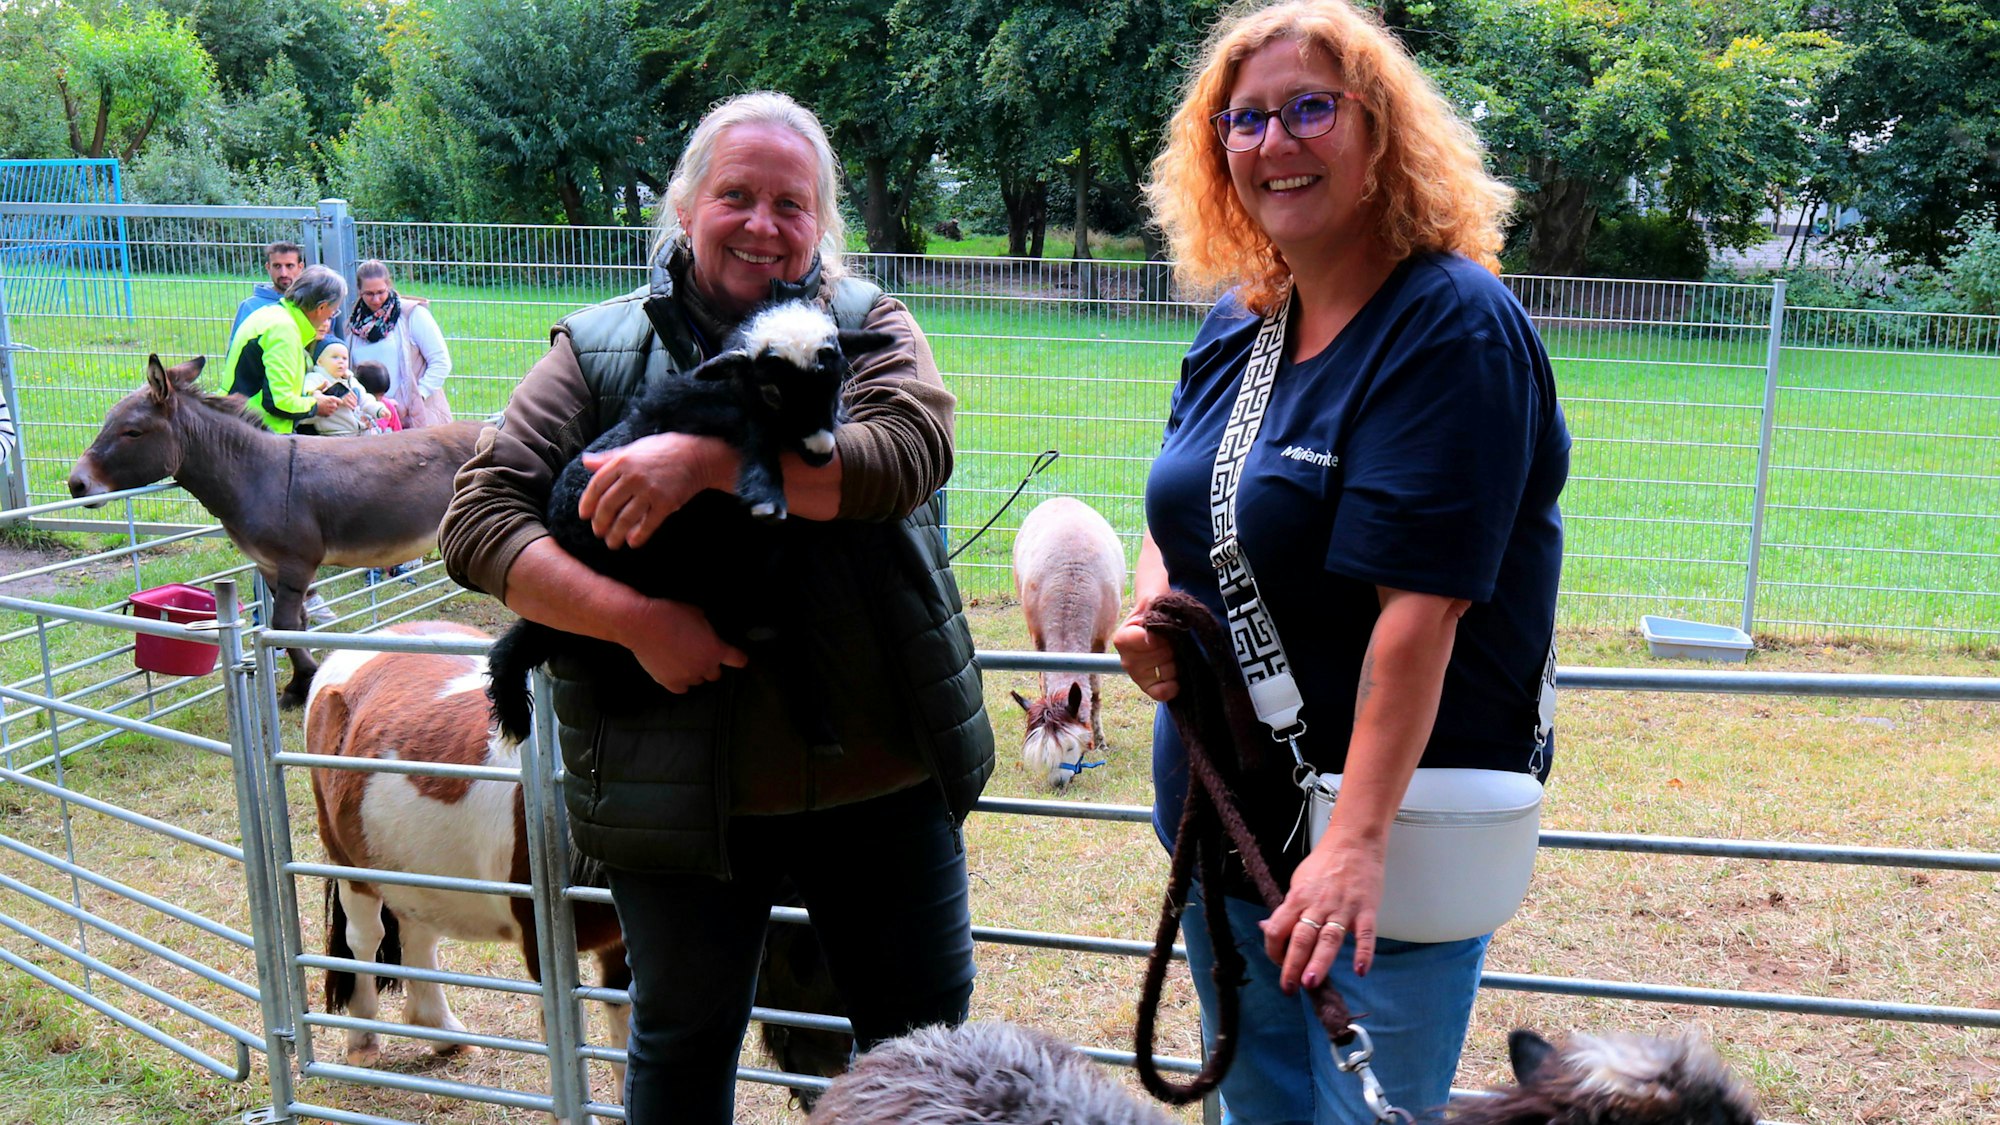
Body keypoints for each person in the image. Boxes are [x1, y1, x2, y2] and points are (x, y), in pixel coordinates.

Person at [438, 90, 993, 1124]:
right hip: (679, 791)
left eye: (791, 204)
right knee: (683, 1046)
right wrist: (633, 621)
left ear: (819, 226)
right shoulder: (598, 351)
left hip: (877, 775)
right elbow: (478, 518)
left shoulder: (866, 327)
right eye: (735, 194)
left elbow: (904, 457)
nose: (761, 223)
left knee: (924, 1049)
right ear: (686, 206)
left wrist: (707, 457)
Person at [1111, 3, 1570, 1122]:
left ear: (1383, 135)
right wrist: (1150, 612)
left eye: (1311, 108)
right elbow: (1181, 499)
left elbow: (1420, 614)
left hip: (1372, 860)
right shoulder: (1243, 320)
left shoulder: (1450, 327)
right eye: (1245, 119)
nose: (1275, 143)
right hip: (1230, 826)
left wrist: (1351, 848)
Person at [220, 264, 353, 434]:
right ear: (321, 308)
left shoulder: (274, 315)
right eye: (333, 312)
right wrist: (315, 405)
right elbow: (277, 402)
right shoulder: (284, 331)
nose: (330, 318)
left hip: (240, 422)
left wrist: (308, 395)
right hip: (254, 433)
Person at [347, 259, 455, 428]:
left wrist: (417, 397)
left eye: (381, 292)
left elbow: (441, 361)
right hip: (372, 417)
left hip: (415, 416)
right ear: (359, 291)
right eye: (369, 294)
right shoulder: (353, 326)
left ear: (389, 286)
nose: (376, 300)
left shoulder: (411, 314)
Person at [302, 342, 392, 437]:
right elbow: (308, 396)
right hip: (335, 434)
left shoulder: (351, 380)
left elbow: (365, 399)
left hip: (361, 431)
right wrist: (336, 395)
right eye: (335, 357)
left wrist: (378, 409)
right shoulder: (315, 379)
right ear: (320, 361)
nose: (341, 361)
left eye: (344, 358)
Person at [229, 240, 305, 344]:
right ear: (268, 267)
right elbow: (237, 348)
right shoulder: (250, 307)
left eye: (289, 266)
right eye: (277, 266)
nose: (283, 273)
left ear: (300, 267)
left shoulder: (311, 304)